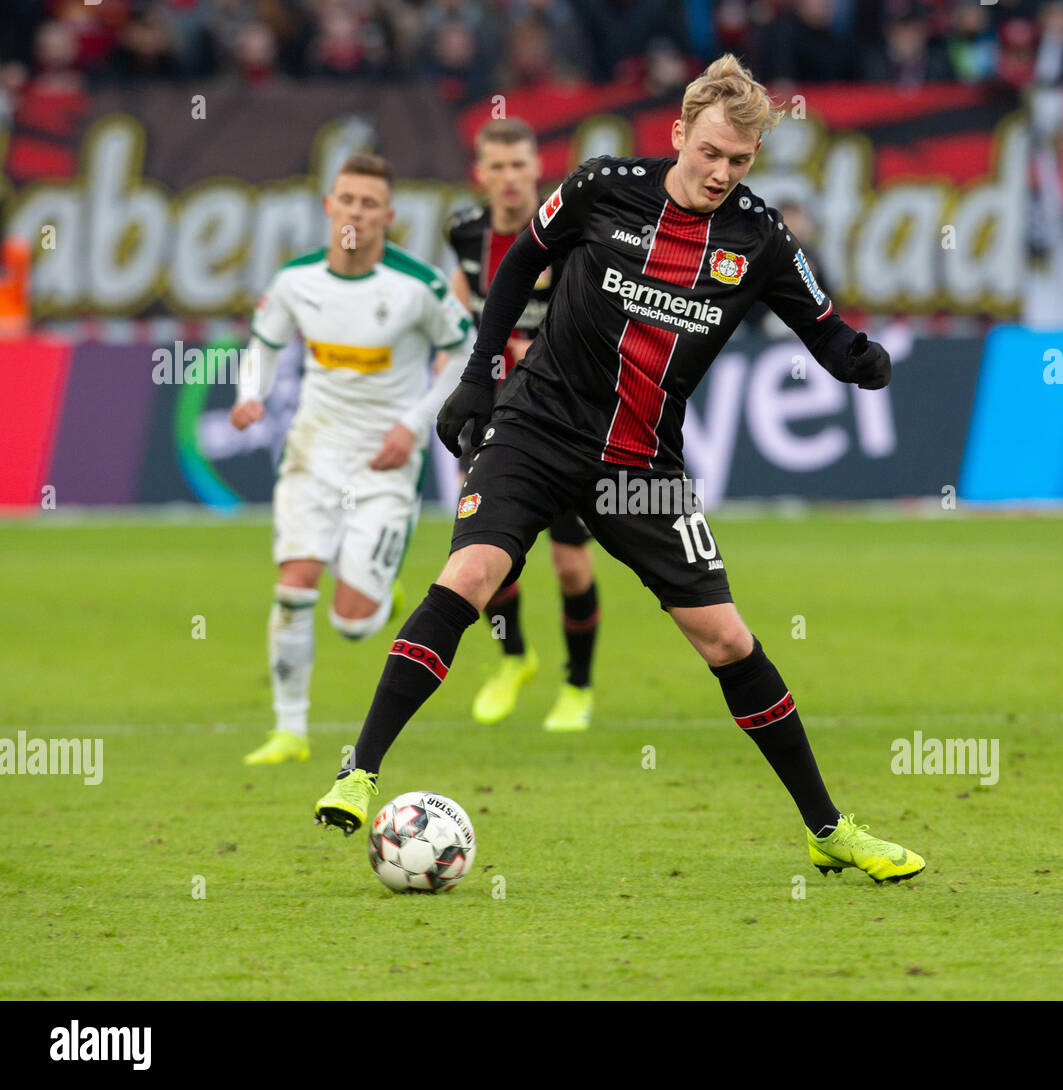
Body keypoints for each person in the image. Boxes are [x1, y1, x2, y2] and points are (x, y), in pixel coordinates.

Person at [314, 55, 926, 884]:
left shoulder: (760, 235)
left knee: (724, 638)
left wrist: (860, 360)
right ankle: (361, 771)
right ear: (678, 133)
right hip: (535, 431)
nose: (719, 173)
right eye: (708, 152)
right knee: (471, 574)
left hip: (640, 466)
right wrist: (476, 376)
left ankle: (827, 827)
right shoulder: (604, 187)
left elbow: (823, 328)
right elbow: (519, 264)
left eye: (738, 162)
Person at [232, 154, 474, 765]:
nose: (357, 213)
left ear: (387, 217)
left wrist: (412, 425)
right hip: (313, 449)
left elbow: (463, 351)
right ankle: (288, 730)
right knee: (294, 584)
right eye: (348, 200)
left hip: (386, 460)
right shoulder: (295, 280)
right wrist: (249, 396)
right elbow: (262, 344)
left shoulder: (418, 285)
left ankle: (376, 595)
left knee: (352, 618)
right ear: (328, 207)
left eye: (370, 205)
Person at [443, 118, 600, 731]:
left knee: (570, 564)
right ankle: (514, 657)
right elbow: (459, 310)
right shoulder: (464, 236)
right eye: (497, 167)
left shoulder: (570, 230)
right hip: (491, 418)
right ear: (480, 175)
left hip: (560, 419)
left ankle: (578, 686)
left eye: (519, 166)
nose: (509, 179)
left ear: (538, 169)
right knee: (481, 552)